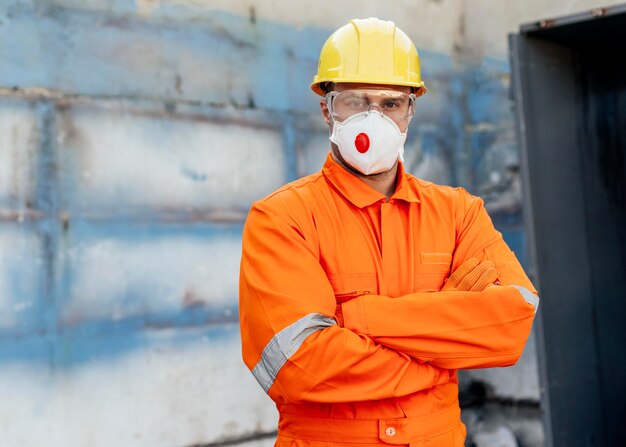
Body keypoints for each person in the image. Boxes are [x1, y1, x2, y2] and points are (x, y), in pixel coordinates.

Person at [239, 17, 538, 447]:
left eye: (391, 103)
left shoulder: (459, 213)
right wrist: (441, 344)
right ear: (327, 108)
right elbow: (301, 365)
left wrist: (358, 318)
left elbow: (509, 325)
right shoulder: (282, 219)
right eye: (355, 102)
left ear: (410, 110)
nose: (373, 119)